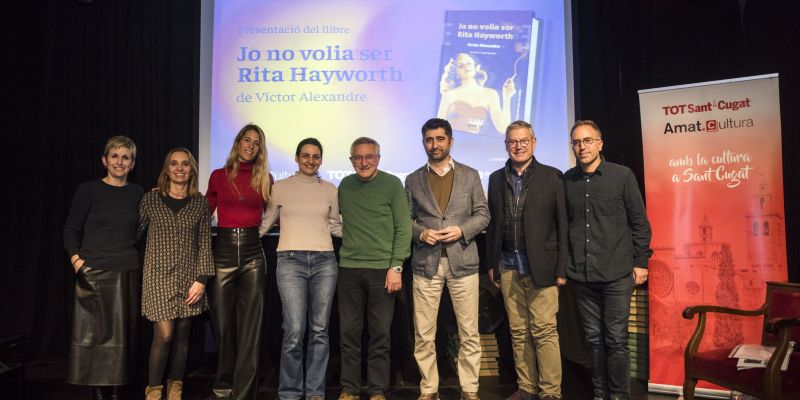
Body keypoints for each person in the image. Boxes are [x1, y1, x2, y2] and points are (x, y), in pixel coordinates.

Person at [564, 120, 652, 400]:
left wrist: (641, 262)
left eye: (588, 140)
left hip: (616, 274)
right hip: (582, 276)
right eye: (577, 142)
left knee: (615, 340)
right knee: (593, 340)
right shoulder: (567, 180)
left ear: (600, 144)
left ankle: (619, 396)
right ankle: (601, 394)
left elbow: (639, 223)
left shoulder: (622, 175)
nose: (582, 147)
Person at [405, 118, 489, 400]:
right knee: (424, 333)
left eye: (440, 139)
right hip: (425, 264)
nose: (435, 145)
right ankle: (429, 389)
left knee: (469, 332)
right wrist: (421, 233)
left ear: (451, 141)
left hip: (463, 262)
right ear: (423, 143)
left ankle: (470, 390)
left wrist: (461, 230)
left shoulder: (470, 175)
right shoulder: (413, 179)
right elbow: (405, 220)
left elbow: (483, 214)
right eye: (429, 140)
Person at [485, 121, 568, 400]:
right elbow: (494, 225)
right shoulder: (496, 178)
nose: (518, 146)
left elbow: (563, 225)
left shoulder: (552, 176)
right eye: (512, 142)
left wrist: (562, 267)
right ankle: (527, 389)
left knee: (544, 331)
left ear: (534, 143)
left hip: (542, 267)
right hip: (508, 265)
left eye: (523, 141)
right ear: (506, 145)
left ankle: (550, 392)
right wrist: (492, 264)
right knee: (518, 332)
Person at [259, 138, 342, 400]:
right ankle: (290, 393)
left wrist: (367, 233)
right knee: (294, 331)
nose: (310, 160)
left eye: (316, 156)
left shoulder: (330, 189)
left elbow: (335, 226)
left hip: (325, 262)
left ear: (321, 160)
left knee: (320, 330)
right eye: (305, 155)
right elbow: (264, 224)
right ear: (296, 158)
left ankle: (315, 392)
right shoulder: (280, 188)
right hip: (290, 261)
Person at [63, 136, 144, 400]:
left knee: (122, 340)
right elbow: (71, 230)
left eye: (126, 157)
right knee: (94, 338)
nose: (120, 162)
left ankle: (117, 391)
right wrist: (78, 263)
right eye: (114, 156)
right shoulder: (89, 190)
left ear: (132, 163)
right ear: (104, 160)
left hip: (126, 271)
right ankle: (97, 392)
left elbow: (141, 230)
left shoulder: (138, 193)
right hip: (93, 273)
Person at [337, 137, 412, 400]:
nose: (363, 162)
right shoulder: (345, 186)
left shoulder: (392, 184)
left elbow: (403, 228)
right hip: (349, 269)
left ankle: (377, 390)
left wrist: (396, 266)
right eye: (358, 157)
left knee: (380, 334)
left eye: (369, 157)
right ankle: (349, 389)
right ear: (351, 160)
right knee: (349, 334)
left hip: (383, 270)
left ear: (378, 158)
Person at [139, 148, 214, 400]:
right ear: (166, 169)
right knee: (164, 334)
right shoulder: (150, 200)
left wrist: (201, 280)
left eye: (185, 164)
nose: (179, 168)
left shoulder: (200, 203)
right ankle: (153, 389)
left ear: (192, 169)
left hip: (189, 279)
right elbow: (133, 232)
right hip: (157, 278)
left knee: (182, 335)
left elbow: (205, 244)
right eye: (174, 163)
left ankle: (176, 385)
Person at [206, 124, 272, 400]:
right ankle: (223, 383)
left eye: (256, 143)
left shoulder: (265, 178)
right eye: (247, 140)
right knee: (222, 325)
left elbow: (273, 213)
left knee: (250, 327)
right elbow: (202, 211)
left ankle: (244, 392)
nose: (250, 146)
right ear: (238, 142)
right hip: (222, 251)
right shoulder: (218, 176)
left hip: (253, 253)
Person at [437, 53, 516, 135]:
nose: (467, 67)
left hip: (477, 141)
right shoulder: (449, 95)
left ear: (475, 67)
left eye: (469, 63)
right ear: (456, 74)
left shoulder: (490, 94)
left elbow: (503, 128)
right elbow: (437, 127)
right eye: (461, 66)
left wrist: (507, 97)